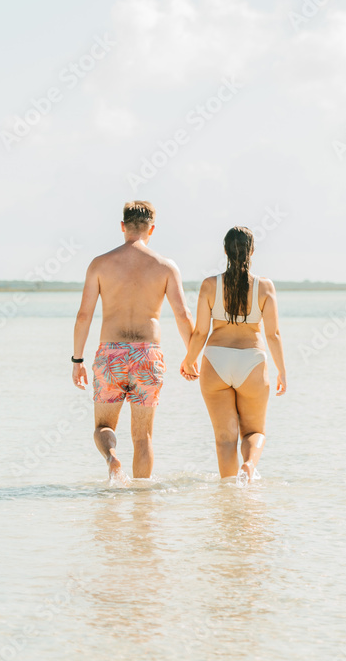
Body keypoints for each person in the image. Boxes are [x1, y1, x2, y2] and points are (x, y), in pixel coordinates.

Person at [72, 201, 194, 485]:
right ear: (152, 229)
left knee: (103, 426)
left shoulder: (100, 264)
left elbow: (83, 315)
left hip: (110, 354)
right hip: (147, 356)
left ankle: (112, 458)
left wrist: (77, 360)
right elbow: (183, 315)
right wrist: (192, 356)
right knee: (143, 436)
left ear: (122, 227)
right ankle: (142, 505)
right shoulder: (165, 266)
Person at [180, 226, 286, 483]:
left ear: (225, 250)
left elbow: (200, 332)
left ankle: (229, 493)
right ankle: (249, 466)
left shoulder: (209, 285)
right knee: (253, 432)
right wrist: (282, 371)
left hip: (216, 359)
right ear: (252, 251)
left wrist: (189, 360)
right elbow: (273, 335)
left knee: (224, 439)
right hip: (251, 359)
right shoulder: (264, 287)